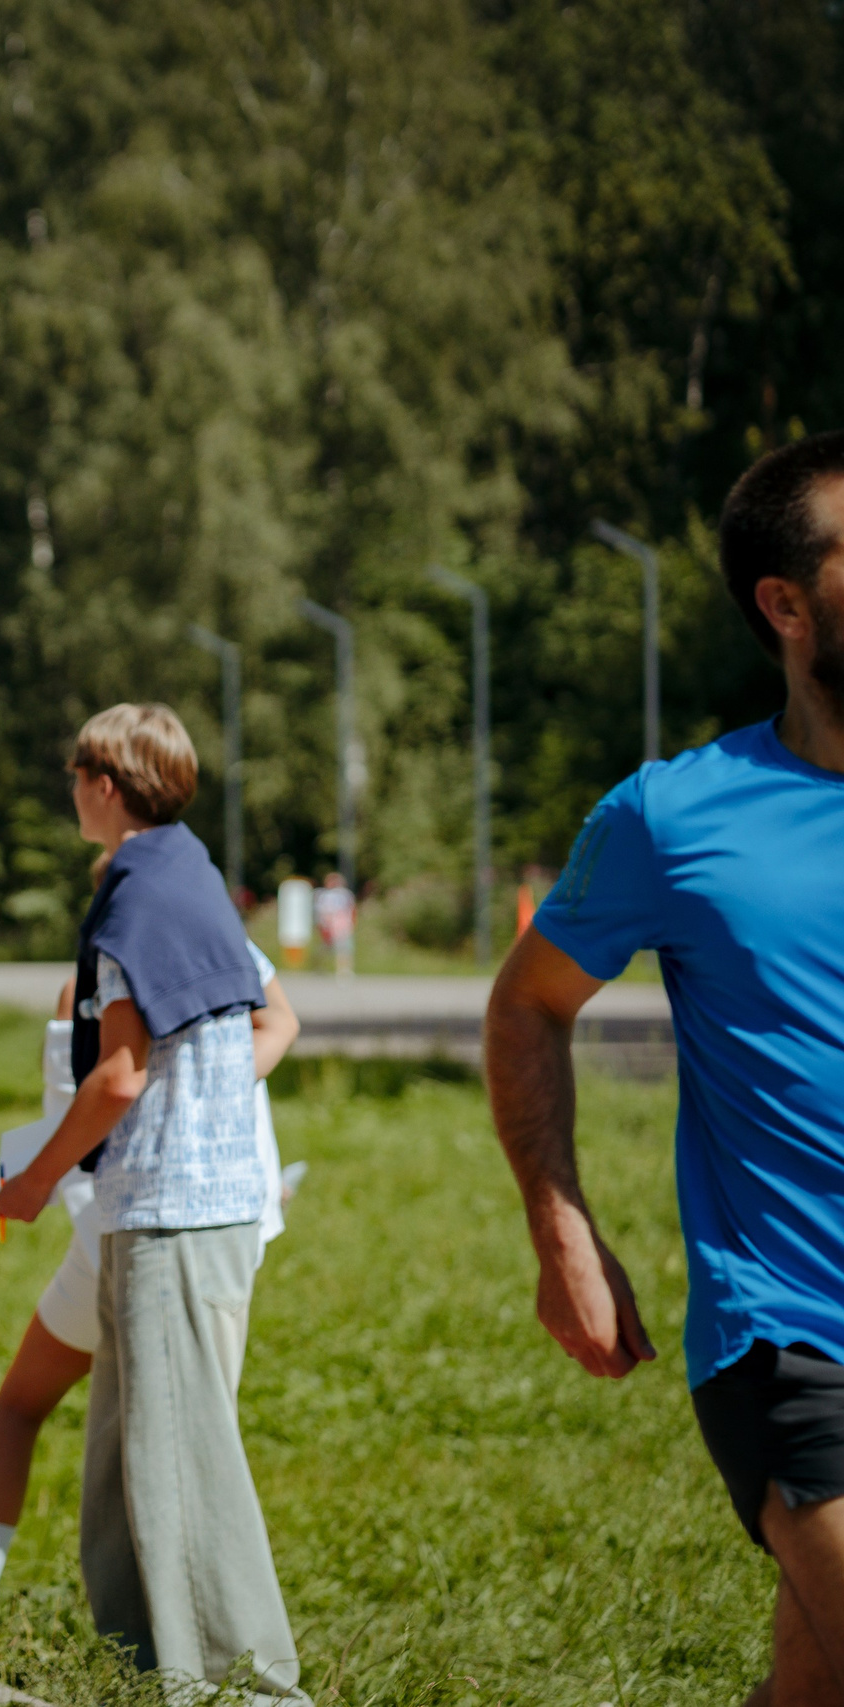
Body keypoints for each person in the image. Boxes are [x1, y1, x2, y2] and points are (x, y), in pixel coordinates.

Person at [485, 431, 844, 1707]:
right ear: (786, 604)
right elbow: (527, 1006)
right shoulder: (671, 815)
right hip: (794, 1327)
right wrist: (562, 1230)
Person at [0, 703, 306, 1700]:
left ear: (106, 785)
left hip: (171, 1212)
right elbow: (270, 1022)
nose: (71, 784)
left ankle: (250, 1685)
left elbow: (119, 1077)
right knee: (125, 1450)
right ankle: (137, 1661)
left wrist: (34, 1180)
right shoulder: (192, 877)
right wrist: (213, 1096)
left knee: (183, 1460)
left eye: (77, 769)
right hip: (178, 1205)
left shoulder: (134, 903)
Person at [0, 937, 300, 1652]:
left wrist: (28, 1181)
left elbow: (81, 1116)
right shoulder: (226, 955)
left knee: (24, 1404)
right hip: (219, 1235)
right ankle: (192, 1647)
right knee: (192, 1443)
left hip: (123, 1233)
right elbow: (280, 1022)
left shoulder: (90, 986)